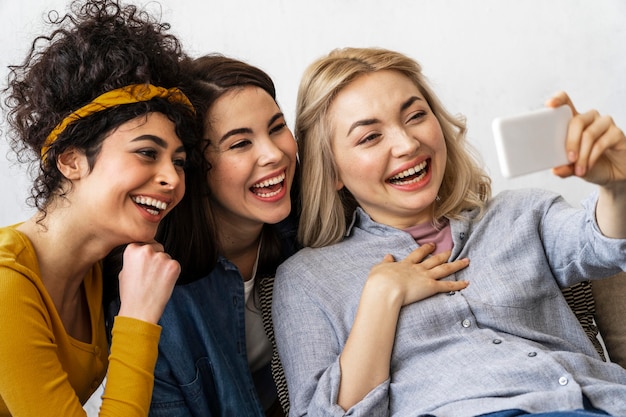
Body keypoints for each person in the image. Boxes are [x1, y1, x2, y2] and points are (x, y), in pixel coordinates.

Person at [272, 47, 626, 417]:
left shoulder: (521, 214)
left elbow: (602, 243)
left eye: (415, 116)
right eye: (370, 137)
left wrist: (618, 187)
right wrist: (380, 299)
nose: (408, 144)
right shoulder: (307, 279)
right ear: (332, 172)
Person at [0, 0, 198, 415]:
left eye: (178, 161)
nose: (173, 179)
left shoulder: (96, 269)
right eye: (147, 153)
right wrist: (139, 318)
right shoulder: (6, 287)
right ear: (71, 161)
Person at [146, 54, 299, 417]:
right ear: (194, 167)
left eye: (277, 127)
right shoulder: (157, 295)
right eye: (240, 143)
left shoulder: (316, 229)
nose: (274, 154)